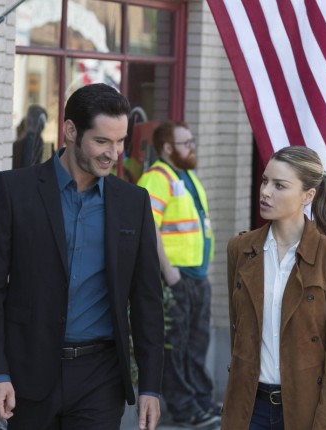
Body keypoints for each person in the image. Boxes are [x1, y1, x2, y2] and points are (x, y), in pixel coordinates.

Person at [0, 83, 165, 430]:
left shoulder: (133, 202)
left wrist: (151, 386)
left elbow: (147, 298)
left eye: (120, 141)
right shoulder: (14, 190)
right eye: (102, 141)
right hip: (27, 373)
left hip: (100, 377)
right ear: (71, 131)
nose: (113, 153)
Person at [222, 146, 326, 430]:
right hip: (248, 407)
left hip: (304, 409)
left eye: (279, 185)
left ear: (308, 195)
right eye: (265, 181)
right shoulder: (240, 249)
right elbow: (237, 332)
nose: (265, 192)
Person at [136, 121, 218, 428]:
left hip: (196, 277)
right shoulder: (157, 178)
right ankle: (184, 409)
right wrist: (170, 274)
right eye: (186, 143)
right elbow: (149, 227)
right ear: (168, 148)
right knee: (176, 347)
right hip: (175, 279)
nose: (192, 146)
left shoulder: (187, 176)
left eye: (192, 141)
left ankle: (202, 401)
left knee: (196, 345)